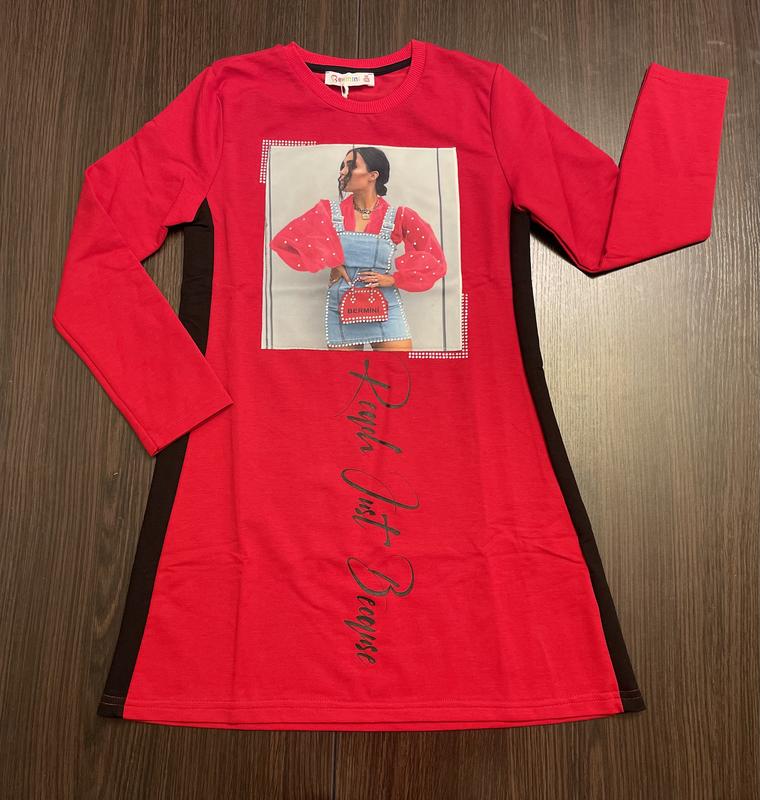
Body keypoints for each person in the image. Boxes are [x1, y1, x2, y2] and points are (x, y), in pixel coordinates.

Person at [270, 147, 447, 350]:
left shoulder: (399, 216)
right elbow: (287, 241)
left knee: (398, 368)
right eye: (342, 166)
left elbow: (434, 260)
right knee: (344, 371)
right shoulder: (328, 212)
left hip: (386, 307)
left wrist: (395, 279)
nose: (342, 171)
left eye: (351, 166)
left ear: (373, 175)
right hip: (342, 307)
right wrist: (332, 261)